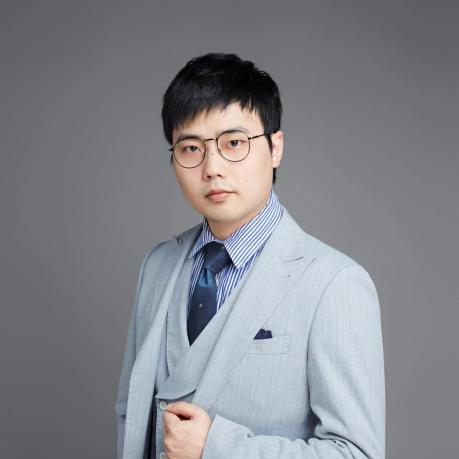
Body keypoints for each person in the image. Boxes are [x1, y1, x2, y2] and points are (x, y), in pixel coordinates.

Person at [115, 53, 385, 459]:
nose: (212, 167)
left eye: (234, 143)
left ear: (275, 147)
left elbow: (356, 453)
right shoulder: (157, 266)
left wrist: (215, 447)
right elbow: (131, 416)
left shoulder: (335, 284)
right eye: (191, 148)